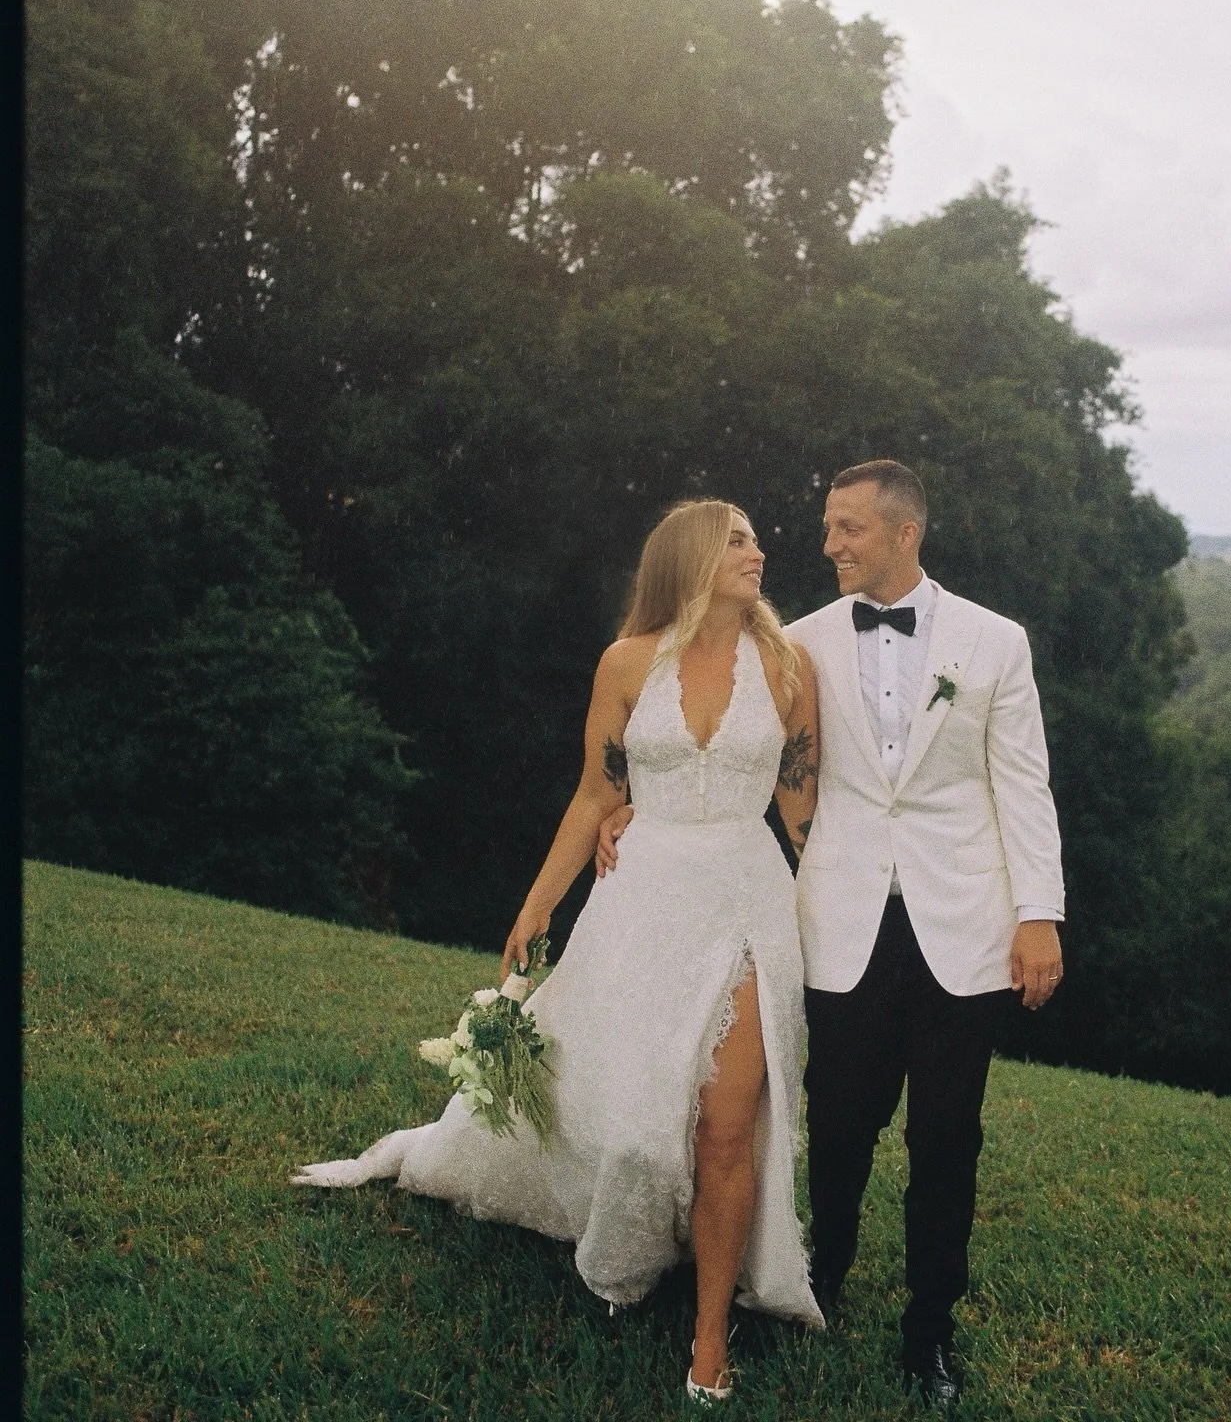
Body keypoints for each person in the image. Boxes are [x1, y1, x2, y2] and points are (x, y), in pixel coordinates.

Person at [292, 499, 825, 1403]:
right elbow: (593, 796)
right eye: (737, 539)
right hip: (641, 902)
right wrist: (537, 908)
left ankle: (706, 1340)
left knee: (727, 1123)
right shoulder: (625, 663)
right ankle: (618, 1243)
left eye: (754, 538)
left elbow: (803, 811)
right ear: (689, 559)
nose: (759, 551)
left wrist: (846, 928)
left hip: (746, 904)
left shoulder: (786, 665)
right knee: (636, 1120)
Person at [599, 459, 1065, 1412]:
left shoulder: (995, 642)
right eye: (825, 526)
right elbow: (717, 741)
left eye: (846, 528)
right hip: (837, 915)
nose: (826, 545)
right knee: (839, 1126)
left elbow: (1023, 783)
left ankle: (929, 1333)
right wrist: (630, 810)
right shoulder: (793, 645)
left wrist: (1038, 914)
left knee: (947, 1139)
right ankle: (822, 1282)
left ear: (904, 534)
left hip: (966, 925)